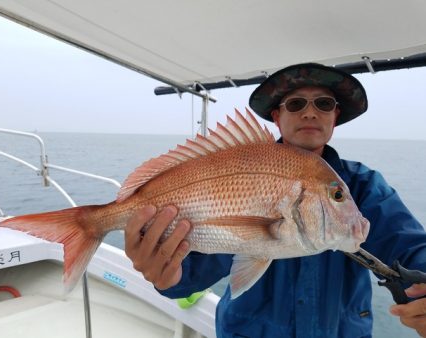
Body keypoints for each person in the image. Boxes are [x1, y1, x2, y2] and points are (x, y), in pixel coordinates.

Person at [125, 63, 426, 337]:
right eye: (296, 104)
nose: (310, 113)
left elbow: (411, 247)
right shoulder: (243, 167)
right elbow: (206, 258)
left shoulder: (364, 186)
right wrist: (169, 275)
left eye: (323, 103)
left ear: (335, 116)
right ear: (277, 117)